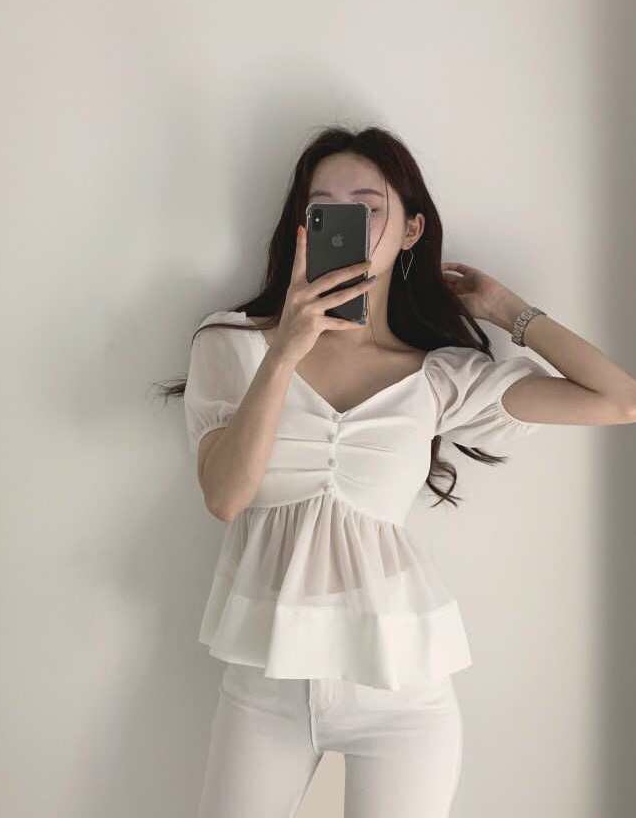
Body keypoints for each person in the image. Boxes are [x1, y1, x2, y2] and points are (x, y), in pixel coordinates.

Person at [166, 125, 636, 818]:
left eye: (368, 207)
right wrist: (286, 350)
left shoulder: (437, 377)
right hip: (265, 688)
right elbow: (225, 496)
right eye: (323, 208)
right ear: (302, 229)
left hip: (402, 696)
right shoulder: (232, 344)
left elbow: (619, 400)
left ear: (410, 229)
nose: (346, 224)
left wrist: (506, 310)